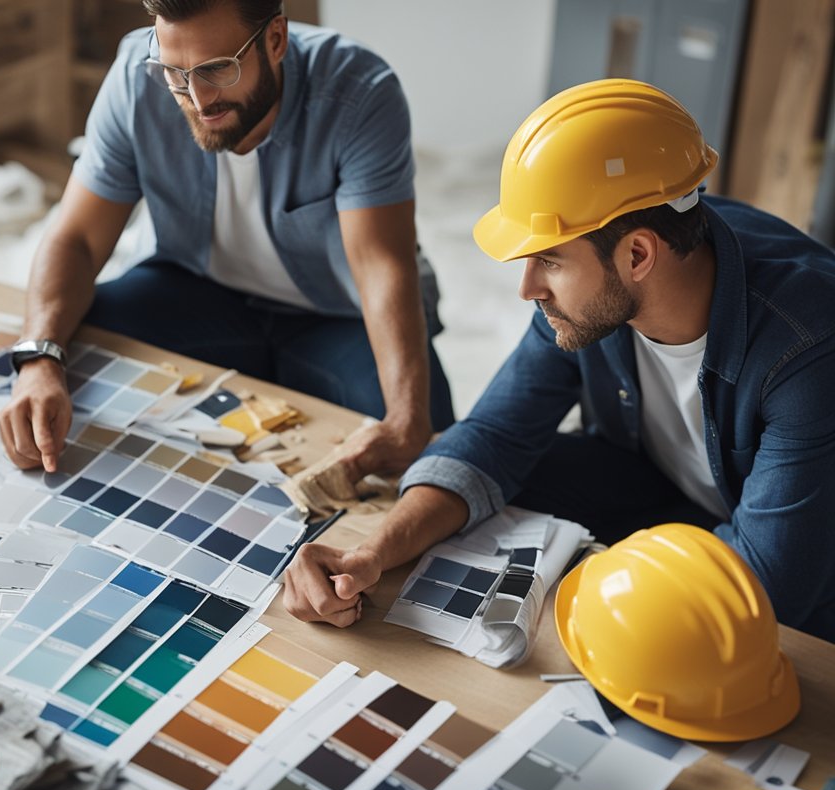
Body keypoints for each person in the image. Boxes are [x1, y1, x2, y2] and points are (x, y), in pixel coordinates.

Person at [283, 78, 835, 642]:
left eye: (548, 259)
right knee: (481, 488)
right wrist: (371, 552)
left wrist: (588, 600)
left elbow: (769, 584)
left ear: (637, 254)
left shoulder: (810, 348)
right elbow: (496, 434)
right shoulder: (608, 281)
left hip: (811, 571)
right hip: (663, 488)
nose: (527, 288)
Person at [0, 0, 454, 485]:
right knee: (64, 347)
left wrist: (406, 421)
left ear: (275, 40)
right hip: (193, 290)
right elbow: (77, 238)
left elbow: (381, 266)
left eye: (217, 68)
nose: (196, 97)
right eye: (175, 72)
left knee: (432, 456)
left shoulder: (359, 89)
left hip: (339, 316)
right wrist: (38, 358)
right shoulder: (136, 75)